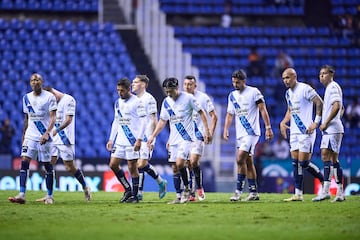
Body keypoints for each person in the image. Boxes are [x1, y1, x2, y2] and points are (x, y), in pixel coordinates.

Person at [147, 77, 210, 204]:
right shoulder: (166, 102)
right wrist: (153, 135)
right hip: (174, 139)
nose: (169, 94)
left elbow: (202, 113)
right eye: (167, 92)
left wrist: (207, 131)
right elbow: (163, 121)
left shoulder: (188, 98)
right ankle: (179, 196)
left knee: (180, 163)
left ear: (177, 88)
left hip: (187, 139)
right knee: (175, 168)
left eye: (171, 91)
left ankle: (187, 189)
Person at [223, 69, 274, 202]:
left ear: (244, 81)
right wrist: (226, 129)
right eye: (233, 82)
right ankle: (253, 192)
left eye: (238, 82)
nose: (235, 85)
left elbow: (263, 109)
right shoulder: (232, 96)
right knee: (248, 162)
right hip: (240, 134)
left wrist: (268, 127)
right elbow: (229, 114)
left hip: (251, 133)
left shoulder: (254, 92)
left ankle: (238, 192)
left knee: (239, 159)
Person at [35, 87, 91, 202]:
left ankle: (85, 187)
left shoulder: (69, 100)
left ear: (53, 92)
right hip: (52, 139)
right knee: (49, 165)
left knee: (69, 167)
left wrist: (57, 130)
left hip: (65, 139)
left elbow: (69, 119)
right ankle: (49, 196)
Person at [8, 73, 57, 204]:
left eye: (37, 80)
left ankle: (49, 196)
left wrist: (47, 133)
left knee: (47, 166)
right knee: (24, 162)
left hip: (44, 137)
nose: (35, 82)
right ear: (30, 83)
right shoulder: (26, 98)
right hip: (30, 135)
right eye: (32, 80)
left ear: (42, 82)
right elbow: (27, 118)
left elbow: (53, 117)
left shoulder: (49, 97)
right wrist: (24, 135)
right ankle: (22, 194)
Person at [280, 68, 325, 202]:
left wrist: (316, 122)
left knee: (304, 163)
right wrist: (283, 121)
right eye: (283, 79)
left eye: (287, 78)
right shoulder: (288, 93)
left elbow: (320, 103)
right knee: (296, 164)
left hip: (306, 131)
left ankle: (324, 180)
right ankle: (298, 194)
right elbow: (290, 109)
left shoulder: (305, 89)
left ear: (294, 77)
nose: (285, 81)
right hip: (294, 132)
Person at [106, 77, 146, 203]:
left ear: (129, 89)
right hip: (120, 141)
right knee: (113, 164)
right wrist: (111, 139)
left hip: (132, 140)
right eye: (118, 90)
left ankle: (135, 196)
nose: (120, 93)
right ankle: (127, 189)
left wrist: (139, 140)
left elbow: (144, 121)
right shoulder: (118, 102)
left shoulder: (137, 102)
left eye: (122, 91)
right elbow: (116, 121)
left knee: (132, 167)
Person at [131, 75, 167, 201]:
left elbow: (153, 119)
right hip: (136, 136)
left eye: (135, 82)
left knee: (141, 164)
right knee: (138, 164)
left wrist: (152, 137)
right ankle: (149, 188)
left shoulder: (149, 99)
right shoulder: (133, 99)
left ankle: (147, 189)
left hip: (147, 136)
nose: (132, 84)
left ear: (143, 85)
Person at [312, 65, 345, 202]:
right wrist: (336, 119)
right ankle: (339, 193)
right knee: (332, 159)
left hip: (332, 129)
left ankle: (327, 191)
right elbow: (341, 108)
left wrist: (326, 122)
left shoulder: (332, 87)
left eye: (324, 73)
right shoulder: (330, 88)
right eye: (320, 74)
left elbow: (337, 106)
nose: (321, 76)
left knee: (327, 155)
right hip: (332, 129)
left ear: (331, 74)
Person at [183, 75, 218, 201]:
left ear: (195, 86)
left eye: (190, 84)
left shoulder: (203, 98)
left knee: (193, 162)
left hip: (198, 134)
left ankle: (199, 187)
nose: (187, 87)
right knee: (187, 164)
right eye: (185, 84)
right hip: (185, 136)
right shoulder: (180, 99)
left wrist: (210, 132)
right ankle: (191, 193)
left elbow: (214, 116)